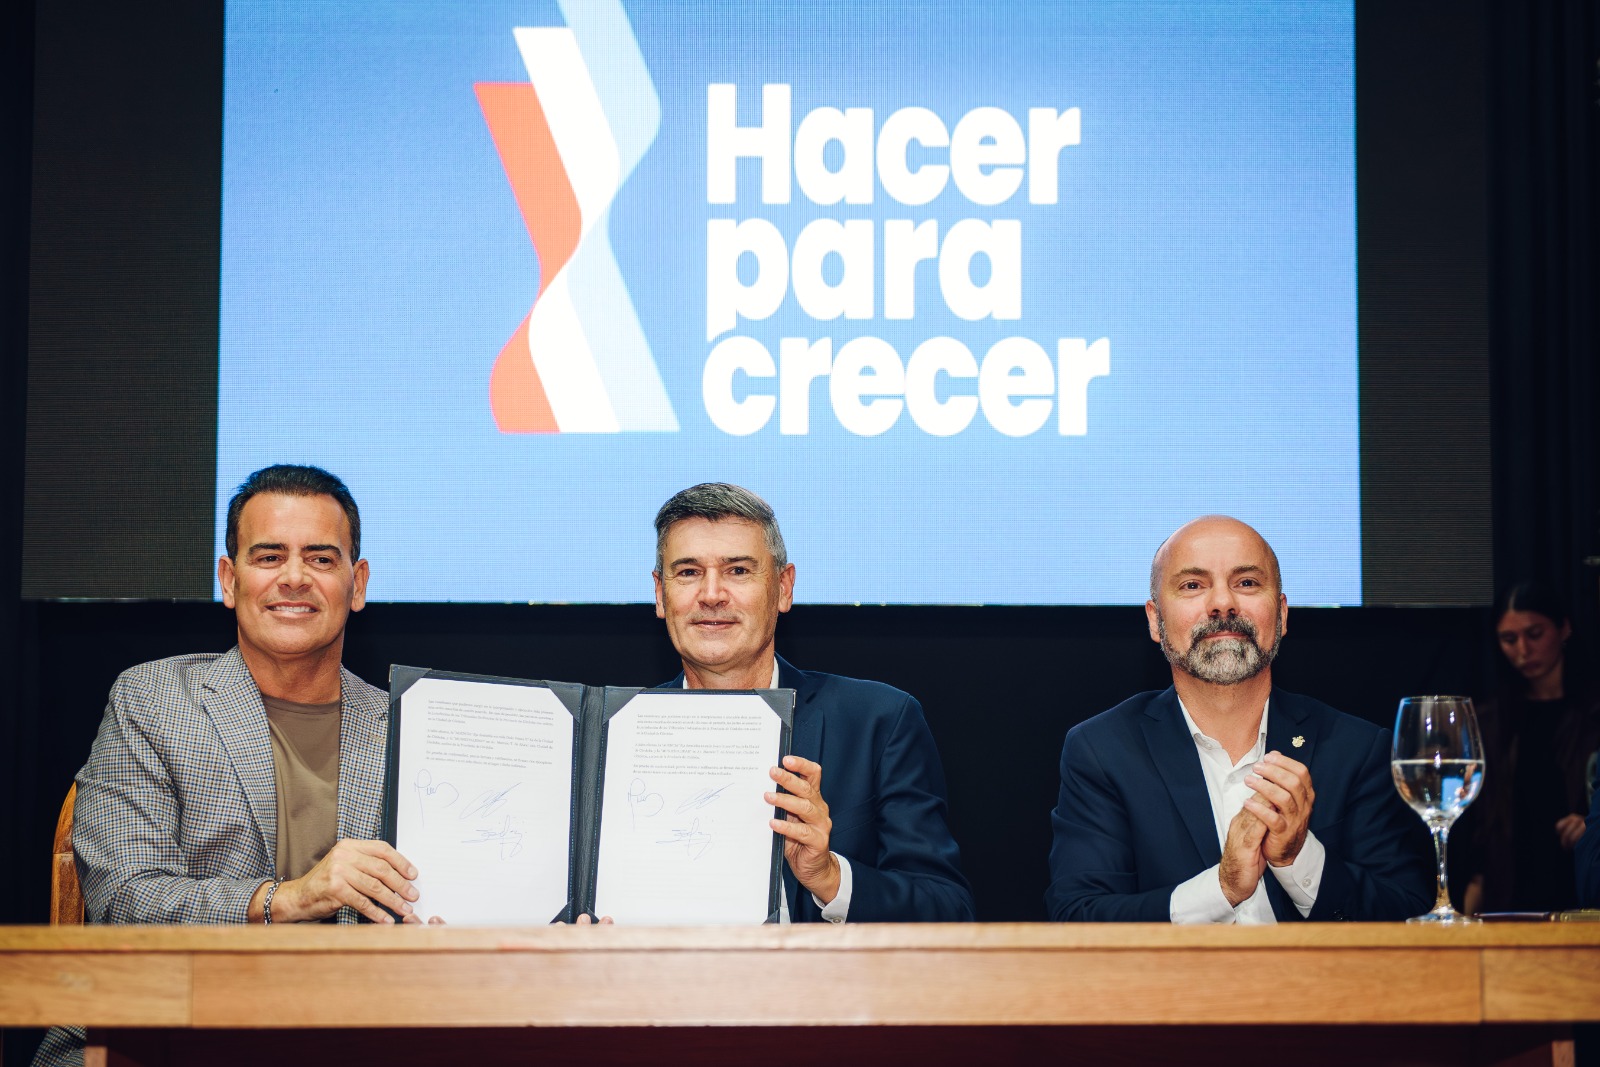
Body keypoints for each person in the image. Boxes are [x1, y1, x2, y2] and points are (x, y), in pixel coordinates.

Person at [1045, 515, 1432, 922]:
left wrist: (1298, 858)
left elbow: (1411, 916)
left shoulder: (1356, 748)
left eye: (1246, 583)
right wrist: (1223, 887)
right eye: (1192, 585)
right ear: (1155, 620)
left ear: (1281, 614)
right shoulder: (1103, 751)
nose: (1222, 603)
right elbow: (1078, 917)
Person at [651, 483, 973, 922]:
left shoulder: (878, 722)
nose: (711, 594)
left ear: (783, 588)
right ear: (660, 593)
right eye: (688, 572)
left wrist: (828, 876)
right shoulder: (615, 737)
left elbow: (948, 910)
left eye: (738, 570)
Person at [1458, 582, 1600, 915]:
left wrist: (1593, 825)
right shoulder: (1488, 720)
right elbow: (1480, 828)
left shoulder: (1594, 714)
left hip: (1581, 894)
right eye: (1509, 639)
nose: (1523, 650)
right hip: (1509, 896)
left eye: (1535, 634)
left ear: (1564, 628)